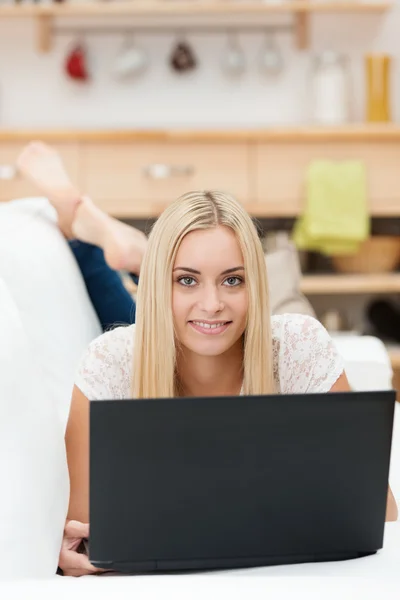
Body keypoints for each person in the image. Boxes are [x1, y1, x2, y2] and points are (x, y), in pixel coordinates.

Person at [16, 143, 398, 577]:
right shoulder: (110, 360)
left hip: (268, 331)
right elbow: (81, 534)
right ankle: (120, 243)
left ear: (254, 284)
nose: (213, 302)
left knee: (269, 311)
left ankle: (146, 255)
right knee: (151, 322)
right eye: (186, 279)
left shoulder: (298, 346)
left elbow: (381, 514)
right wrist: (70, 557)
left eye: (234, 279)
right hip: (160, 331)